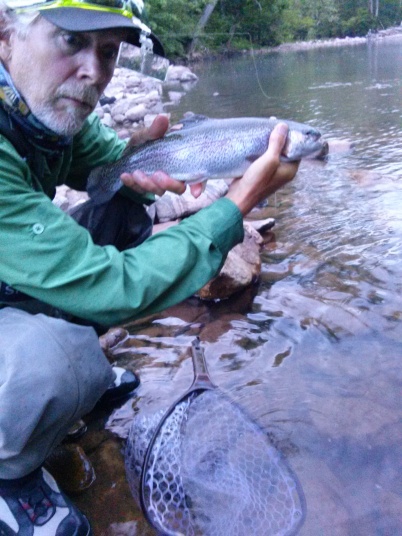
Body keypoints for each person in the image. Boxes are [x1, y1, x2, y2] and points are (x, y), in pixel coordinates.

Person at [0, 0, 299, 534]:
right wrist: (235, 206)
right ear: (4, 35)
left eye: (109, 52)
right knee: (56, 362)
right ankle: (11, 472)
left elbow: (106, 161)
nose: (94, 71)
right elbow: (113, 287)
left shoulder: (39, 106)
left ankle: (59, 385)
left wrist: (142, 153)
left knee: (121, 210)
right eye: (72, 42)